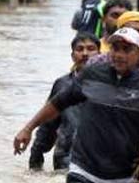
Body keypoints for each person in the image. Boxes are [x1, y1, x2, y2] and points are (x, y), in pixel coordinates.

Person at [14, 27, 139, 183]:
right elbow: (57, 104)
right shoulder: (91, 75)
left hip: (123, 180)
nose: (119, 54)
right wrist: (28, 129)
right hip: (82, 171)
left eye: (126, 50)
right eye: (115, 48)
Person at [28, 32, 100, 171]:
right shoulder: (62, 84)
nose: (85, 53)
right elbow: (48, 124)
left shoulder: (110, 84)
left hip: (98, 160)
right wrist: (36, 157)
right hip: (66, 160)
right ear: (73, 56)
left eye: (91, 49)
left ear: (100, 54)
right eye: (80, 49)